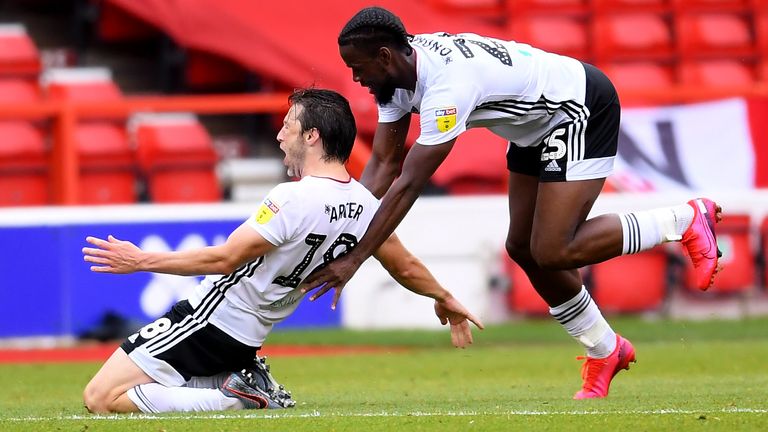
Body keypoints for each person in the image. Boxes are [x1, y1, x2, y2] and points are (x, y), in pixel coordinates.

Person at [300, 7, 723, 400]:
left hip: (577, 108)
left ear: (386, 56)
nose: (356, 79)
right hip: (532, 127)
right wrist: (341, 225)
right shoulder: (395, 79)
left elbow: (409, 182)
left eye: (358, 68)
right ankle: (605, 349)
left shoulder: (448, 85)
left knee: (555, 248)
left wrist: (353, 260)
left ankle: (685, 219)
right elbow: (382, 165)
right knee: (523, 248)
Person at [81, 88, 484, 414]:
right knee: (141, 387)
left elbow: (225, 259)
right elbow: (406, 266)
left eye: (288, 126)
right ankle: (241, 380)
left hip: (209, 319)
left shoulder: (291, 199)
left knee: (101, 397)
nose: (279, 135)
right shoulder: (364, 205)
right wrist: (444, 296)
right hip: (247, 337)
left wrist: (140, 261)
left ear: (312, 136)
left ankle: (235, 396)